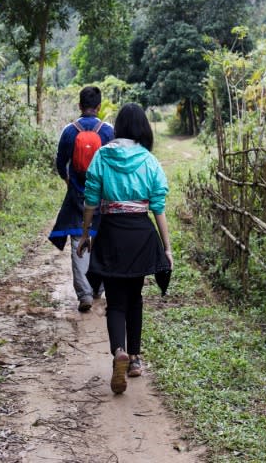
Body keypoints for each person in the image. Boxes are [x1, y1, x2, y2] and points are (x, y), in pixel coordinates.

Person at [77, 103, 173, 395]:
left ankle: (118, 350)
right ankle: (134, 359)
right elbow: (158, 207)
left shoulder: (102, 157)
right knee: (136, 298)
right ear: (142, 127)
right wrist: (167, 248)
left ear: (118, 127)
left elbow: (91, 200)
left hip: (112, 233)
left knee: (115, 301)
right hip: (140, 234)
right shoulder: (149, 160)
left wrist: (85, 234)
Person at [48, 86, 114, 312]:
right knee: (102, 240)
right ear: (99, 107)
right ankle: (99, 288)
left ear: (79, 106)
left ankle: (84, 294)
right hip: (104, 195)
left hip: (77, 194)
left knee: (79, 241)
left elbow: (59, 162)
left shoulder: (69, 130)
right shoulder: (108, 131)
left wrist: (68, 181)